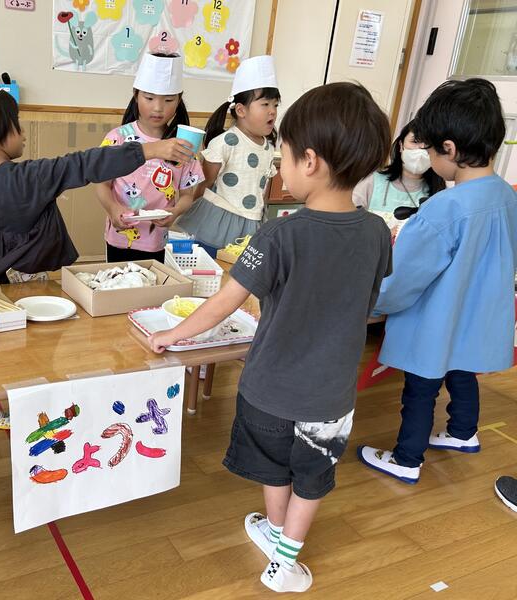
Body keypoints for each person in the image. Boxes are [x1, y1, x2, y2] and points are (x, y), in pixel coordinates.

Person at [149, 82, 391, 593]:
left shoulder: (280, 233)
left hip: (270, 390)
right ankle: (284, 559)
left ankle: (276, 534)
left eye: (284, 156)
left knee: (276, 468)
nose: (280, 167)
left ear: (310, 161)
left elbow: (224, 302)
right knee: (312, 474)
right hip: (331, 395)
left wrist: (172, 334)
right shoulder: (375, 232)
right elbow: (368, 301)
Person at [0, 69, 194, 431]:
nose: (23, 134)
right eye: (18, 125)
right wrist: (151, 149)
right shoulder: (30, 177)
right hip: (31, 280)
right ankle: (34, 413)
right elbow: (85, 164)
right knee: (35, 344)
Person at [358, 78, 517, 484]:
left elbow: (404, 278)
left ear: (449, 148)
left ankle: (406, 458)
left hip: (436, 321)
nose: (426, 158)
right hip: (476, 318)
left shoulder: (444, 208)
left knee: (420, 388)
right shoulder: (506, 196)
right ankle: (463, 432)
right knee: (462, 372)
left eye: (429, 149)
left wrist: (373, 302)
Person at [96, 53, 204, 263]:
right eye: (149, 98)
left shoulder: (183, 144)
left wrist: (175, 212)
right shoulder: (118, 138)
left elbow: (187, 195)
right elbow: (102, 184)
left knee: (153, 283)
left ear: (179, 100)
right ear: (136, 95)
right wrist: (113, 208)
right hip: (120, 236)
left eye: (168, 100)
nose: (158, 108)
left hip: (156, 240)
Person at [177, 56, 280, 257]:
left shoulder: (268, 147)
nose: (272, 112)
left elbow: (260, 190)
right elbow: (205, 183)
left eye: (275, 105)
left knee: (238, 271)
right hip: (217, 221)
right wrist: (191, 212)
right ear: (241, 110)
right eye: (265, 104)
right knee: (210, 267)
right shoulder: (225, 142)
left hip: (251, 223)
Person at [353, 120, 445, 237]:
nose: (421, 148)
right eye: (415, 141)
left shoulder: (439, 194)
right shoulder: (371, 181)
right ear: (401, 145)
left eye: (428, 144)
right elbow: (349, 225)